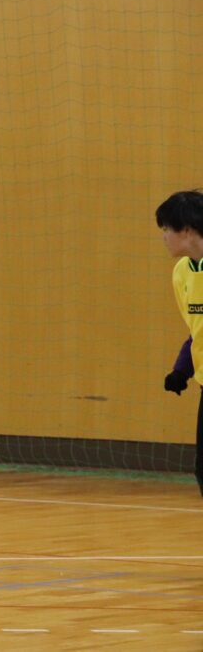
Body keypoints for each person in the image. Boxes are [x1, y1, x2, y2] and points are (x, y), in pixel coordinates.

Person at [156, 190, 203, 497]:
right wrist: (181, 370)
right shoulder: (181, 273)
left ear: (186, 230)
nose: (164, 237)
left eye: (166, 229)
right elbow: (196, 330)